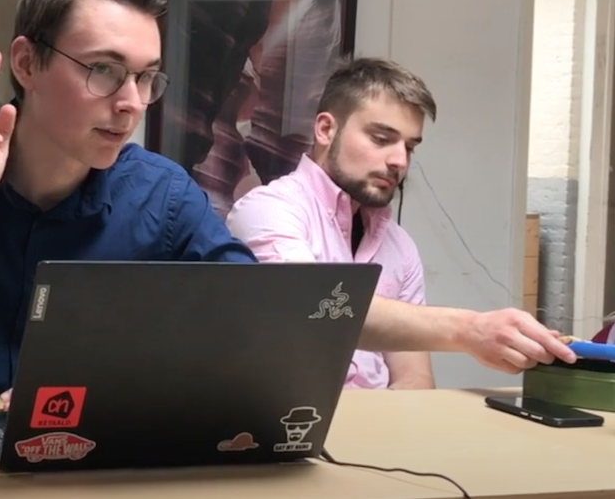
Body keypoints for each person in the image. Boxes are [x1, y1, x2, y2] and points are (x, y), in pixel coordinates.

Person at [0, 0, 575, 414]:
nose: (131, 103)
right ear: (26, 64)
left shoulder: (160, 196)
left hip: (86, 467)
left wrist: (464, 330)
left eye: (146, 77)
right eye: (105, 71)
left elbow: (274, 313)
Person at [225, 56, 564, 390]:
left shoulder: (399, 245)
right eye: (381, 139)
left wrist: (389, 424)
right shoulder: (267, 210)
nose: (399, 161)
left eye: (410, 147)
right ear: (326, 129)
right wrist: (470, 329)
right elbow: (316, 305)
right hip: (294, 423)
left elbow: (415, 378)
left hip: (379, 424)